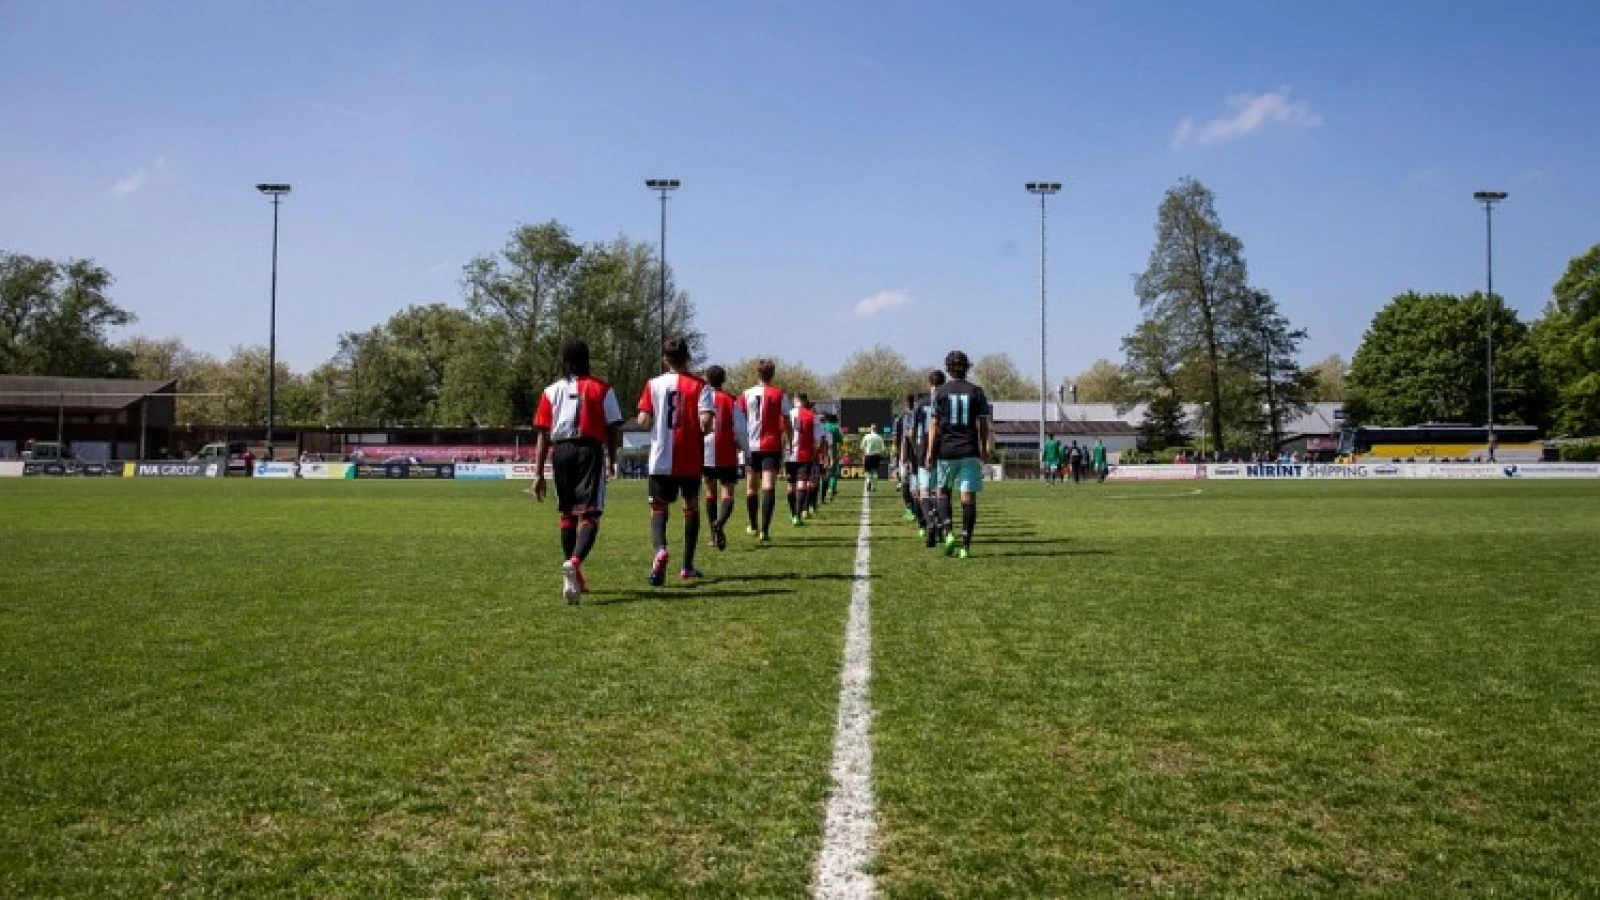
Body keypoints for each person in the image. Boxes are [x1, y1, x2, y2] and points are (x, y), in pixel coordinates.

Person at [532, 339, 625, 604]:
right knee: (591, 512)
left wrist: (538, 473)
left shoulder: (551, 391)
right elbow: (613, 428)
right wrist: (611, 459)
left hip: (561, 452)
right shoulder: (602, 389)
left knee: (567, 513)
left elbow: (543, 436)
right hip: (589, 449)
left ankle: (574, 574)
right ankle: (574, 562)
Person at [637, 337, 715, 586]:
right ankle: (687, 566)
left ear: (664, 360)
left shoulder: (653, 384)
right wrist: (704, 424)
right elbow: (707, 422)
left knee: (658, 509)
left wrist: (649, 421)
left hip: (661, 458)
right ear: (688, 357)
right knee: (691, 508)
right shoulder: (701, 386)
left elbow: (643, 420)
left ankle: (660, 550)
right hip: (690, 458)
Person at [925, 350, 992, 558]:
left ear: (948, 368)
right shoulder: (976, 391)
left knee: (943, 492)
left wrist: (930, 452)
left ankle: (947, 532)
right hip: (969, 449)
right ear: (967, 367)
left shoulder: (941, 393)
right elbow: (983, 424)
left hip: (946, 450)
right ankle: (965, 544)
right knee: (968, 498)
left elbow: (934, 425)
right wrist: (983, 449)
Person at [738, 359, 792, 543]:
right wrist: (790, 440)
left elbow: (738, 419)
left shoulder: (746, 394)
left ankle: (753, 525)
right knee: (768, 486)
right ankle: (765, 530)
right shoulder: (779, 394)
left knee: (751, 487)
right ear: (773, 374)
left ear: (757, 374)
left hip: (750, 446)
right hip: (771, 446)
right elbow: (787, 421)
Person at [701, 364, 748, 552]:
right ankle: (719, 523)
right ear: (724, 379)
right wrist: (746, 450)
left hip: (706, 452)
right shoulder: (731, 400)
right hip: (726, 452)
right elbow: (740, 429)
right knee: (727, 493)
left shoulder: (702, 398)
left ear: (707, 379)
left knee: (710, 492)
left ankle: (713, 536)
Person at [917, 371, 946, 546]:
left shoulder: (921, 404)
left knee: (924, 491)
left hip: (925, 445)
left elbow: (913, 430)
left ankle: (930, 521)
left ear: (930, 384)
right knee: (941, 491)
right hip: (944, 446)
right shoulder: (948, 400)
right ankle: (943, 526)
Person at [786, 393, 821, 525]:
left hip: (789, 454)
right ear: (805, 401)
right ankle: (798, 516)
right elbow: (817, 439)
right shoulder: (812, 416)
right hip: (805, 454)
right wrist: (814, 451)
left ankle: (793, 513)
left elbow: (782, 433)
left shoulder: (787, 414)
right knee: (801, 483)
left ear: (794, 401)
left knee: (791, 485)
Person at [893, 393, 924, 525]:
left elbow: (899, 437)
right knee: (912, 481)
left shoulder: (904, 417)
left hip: (909, 453)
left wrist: (899, 454)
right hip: (913, 452)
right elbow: (902, 437)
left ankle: (911, 508)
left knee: (909, 480)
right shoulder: (904, 417)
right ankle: (913, 509)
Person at [822, 414, 846, 502]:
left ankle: (824, 491)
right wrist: (840, 452)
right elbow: (841, 441)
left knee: (825, 472)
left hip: (822, 451)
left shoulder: (823, 426)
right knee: (833, 472)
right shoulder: (836, 428)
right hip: (832, 451)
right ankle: (831, 489)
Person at [860, 423, 887, 493]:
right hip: (876, 456)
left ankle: (868, 480)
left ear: (870, 429)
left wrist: (864, 455)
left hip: (868, 455)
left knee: (868, 471)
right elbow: (883, 449)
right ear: (876, 429)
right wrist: (882, 455)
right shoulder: (879, 437)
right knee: (875, 471)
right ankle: (874, 487)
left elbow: (862, 447)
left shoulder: (866, 436)